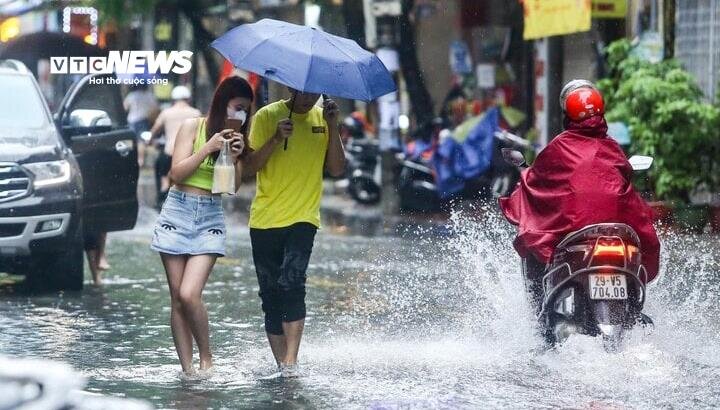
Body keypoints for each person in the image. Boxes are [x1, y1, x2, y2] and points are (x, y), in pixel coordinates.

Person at [499, 79, 661, 311]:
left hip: (574, 234)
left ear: (567, 115)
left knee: (532, 240)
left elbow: (536, 184)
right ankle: (634, 308)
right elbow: (624, 184)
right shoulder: (613, 149)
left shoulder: (558, 148)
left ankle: (539, 313)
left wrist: (524, 173)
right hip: (616, 234)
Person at [150, 76, 252, 378]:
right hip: (177, 211)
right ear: (223, 104)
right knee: (176, 298)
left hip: (209, 216)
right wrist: (208, 147)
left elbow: (230, 189)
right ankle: (188, 370)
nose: (240, 116)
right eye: (237, 107)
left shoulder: (237, 142)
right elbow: (176, 174)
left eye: (246, 110)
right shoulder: (193, 127)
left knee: (189, 293)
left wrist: (233, 157)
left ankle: (207, 357)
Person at [243, 89, 345, 377]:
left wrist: (333, 125)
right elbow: (249, 168)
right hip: (264, 220)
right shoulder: (266, 116)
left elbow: (337, 168)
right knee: (271, 294)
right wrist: (275, 139)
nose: (309, 98)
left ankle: (291, 362)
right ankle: (282, 366)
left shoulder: (323, 116)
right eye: (303, 91)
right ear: (291, 87)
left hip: (303, 217)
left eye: (315, 92)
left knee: (292, 281)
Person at [149, 85, 202, 207]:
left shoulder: (166, 113)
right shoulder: (196, 113)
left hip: (169, 152)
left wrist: (150, 140)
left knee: (160, 167)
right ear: (188, 99)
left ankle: (163, 187)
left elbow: (155, 130)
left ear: (173, 99)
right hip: (190, 154)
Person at [124, 83, 159, 167]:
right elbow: (156, 109)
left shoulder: (131, 95)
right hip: (143, 121)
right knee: (141, 141)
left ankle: (130, 159)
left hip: (131, 120)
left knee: (130, 141)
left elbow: (124, 107)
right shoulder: (149, 95)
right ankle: (141, 160)